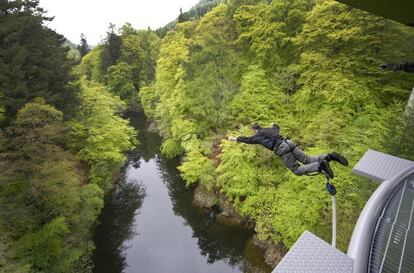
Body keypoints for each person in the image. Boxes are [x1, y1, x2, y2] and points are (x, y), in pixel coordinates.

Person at [227, 123, 348, 178]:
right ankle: (329, 156)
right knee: (307, 159)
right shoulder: (270, 129)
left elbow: (247, 140)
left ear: (254, 130)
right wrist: (273, 124)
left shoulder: (257, 136)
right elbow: (276, 127)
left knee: (296, 170)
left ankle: (320, 166)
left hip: (282, 149)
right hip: (288, 143)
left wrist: (234, 139)